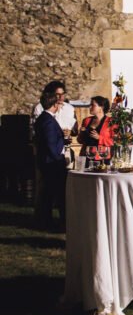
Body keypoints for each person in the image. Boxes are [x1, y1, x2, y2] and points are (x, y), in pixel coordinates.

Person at [34, 91, 67, 229]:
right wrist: (59, 159)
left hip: (46, 161)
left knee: (47, 193)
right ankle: (52, 222)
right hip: (52, 163)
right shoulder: (48, 121)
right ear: (54, 105)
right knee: (55, 193)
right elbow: (51, 145)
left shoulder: (42, 118)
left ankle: (45, 221)